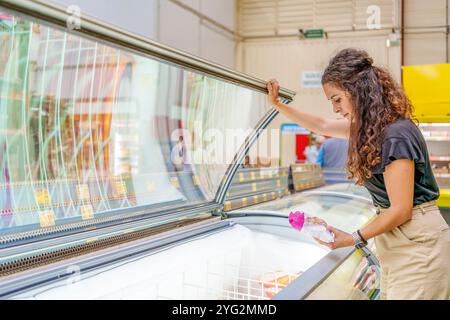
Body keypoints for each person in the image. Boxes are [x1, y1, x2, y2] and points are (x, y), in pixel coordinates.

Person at [267, 48, 449, 300]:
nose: (335, 108)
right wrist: (277, 105)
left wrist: (352, 237)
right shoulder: (372, 130)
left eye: (337, 99)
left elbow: (401, 209)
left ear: (359, 91)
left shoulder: (395, 134)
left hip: (418, 245)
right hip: (400, 244)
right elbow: (321, 125)